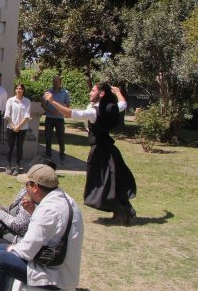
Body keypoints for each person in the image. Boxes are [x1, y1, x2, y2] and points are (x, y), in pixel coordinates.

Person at [0, 164, 84, 291]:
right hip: (56, 264)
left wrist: (12, 247)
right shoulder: (65, 199)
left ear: (35, 187)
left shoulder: (48, 210)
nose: (25, 188)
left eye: (27, 185)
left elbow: (27, 251)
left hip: (55, 274)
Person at [44, 83, 137, 224]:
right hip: (110, 150)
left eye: (93, 90)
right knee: (112, 181)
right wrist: (118, 92)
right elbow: (123, 104)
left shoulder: (95, 112)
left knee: (102, 183)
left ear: (101, 94)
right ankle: (125, 210)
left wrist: (52, 101)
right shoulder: (109, 108)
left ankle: (120, 211)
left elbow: (70, 113)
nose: (89, 93)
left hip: (100, 151)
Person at [4, 83, 32, 176]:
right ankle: (8, 166)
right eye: (17, 88)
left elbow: (27, 116)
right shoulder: (10, 100)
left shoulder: (27, 101)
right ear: (15, 90)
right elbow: (7, 115)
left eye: (20, 88)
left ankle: (17, 166)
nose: (19, 90)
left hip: (22, 128)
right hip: (11, 127)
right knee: (9, 147)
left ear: (23, 90)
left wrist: (18, 127)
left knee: (19, 147)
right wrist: (13, 126)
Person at [41, 76, 71, 161]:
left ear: (60, 82)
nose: (55, 83)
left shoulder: (65, 93)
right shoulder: (48, 92)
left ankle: (62, 154)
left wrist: (60, 111)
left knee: (60, 137)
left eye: (57, 81)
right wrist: (50, 110)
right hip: (49, 118)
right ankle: (48, 154)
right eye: (54, 81)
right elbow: (42, 104)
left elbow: (68, 105)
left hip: (59, 119)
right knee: (48, 137)